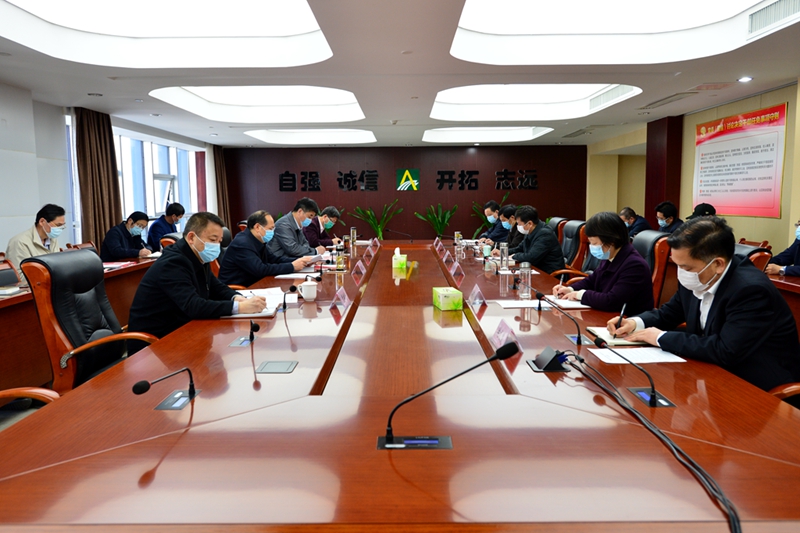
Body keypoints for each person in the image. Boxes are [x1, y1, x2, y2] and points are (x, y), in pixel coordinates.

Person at [608, 216, 800, 394]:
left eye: (686, 267)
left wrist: (660, 337)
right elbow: (670, 313)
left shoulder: (751, 290)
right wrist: (635, 322)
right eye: (677, 265)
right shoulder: (699, 277)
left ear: (718, 264)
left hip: (754, 384)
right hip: (709, 372)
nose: (681, 273)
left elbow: (726, 350)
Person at [127, 212, 266, 354]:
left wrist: (237, 298)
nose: (217, 246)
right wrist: (239, 308)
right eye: (213, 240)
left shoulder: (196, 255)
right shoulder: (173, 263)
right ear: (191, 237)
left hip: (183, 330)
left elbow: (215, 286)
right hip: (154, 345)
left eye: (219, 241)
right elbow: (193, 306)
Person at [553, 211, 654, 315]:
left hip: (625, 320)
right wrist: (570, 289)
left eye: (594, 243)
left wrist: (580, 295)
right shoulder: (611, 255)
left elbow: (611, 301)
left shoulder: (635, 265)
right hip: (606, 315)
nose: (592, 247)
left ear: (611, 240)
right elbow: (592, 280)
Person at [218, 210, 312, 287]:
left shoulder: (257, 240)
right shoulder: (242, 244)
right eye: (270, 229)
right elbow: (260, 270)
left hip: (255, 283)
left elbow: (274, 259)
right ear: (257, 227)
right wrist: (291, 266)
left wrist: (300, 261)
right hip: (240, 288)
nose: (272, 232)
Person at [6, 203, 66, 277]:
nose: (61, 229)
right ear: (42, 222)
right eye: (58, 225)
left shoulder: (52, 239)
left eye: (63, 225)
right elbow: (19, 276)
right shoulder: (20, 242)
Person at [511, 206, 564, 274]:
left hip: (549, 274)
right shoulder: (530, 230)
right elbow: (519, 248)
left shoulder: (545, 234)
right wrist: (503, 252)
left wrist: (514, 256)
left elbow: (531, 257)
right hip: (536, 269)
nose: (518, 226)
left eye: (519, 224)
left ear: (530, 223)